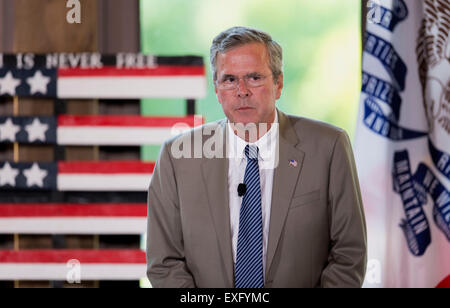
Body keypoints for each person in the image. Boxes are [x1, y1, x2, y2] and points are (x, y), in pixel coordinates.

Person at [146, 26, 367, 288]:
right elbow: (164, 263)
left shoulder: (329, 147)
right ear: (216, 89)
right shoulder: (177, 157)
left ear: (278, 83)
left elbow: (349, 255)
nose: (242, 91)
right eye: (229, 80)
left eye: (254, 78)